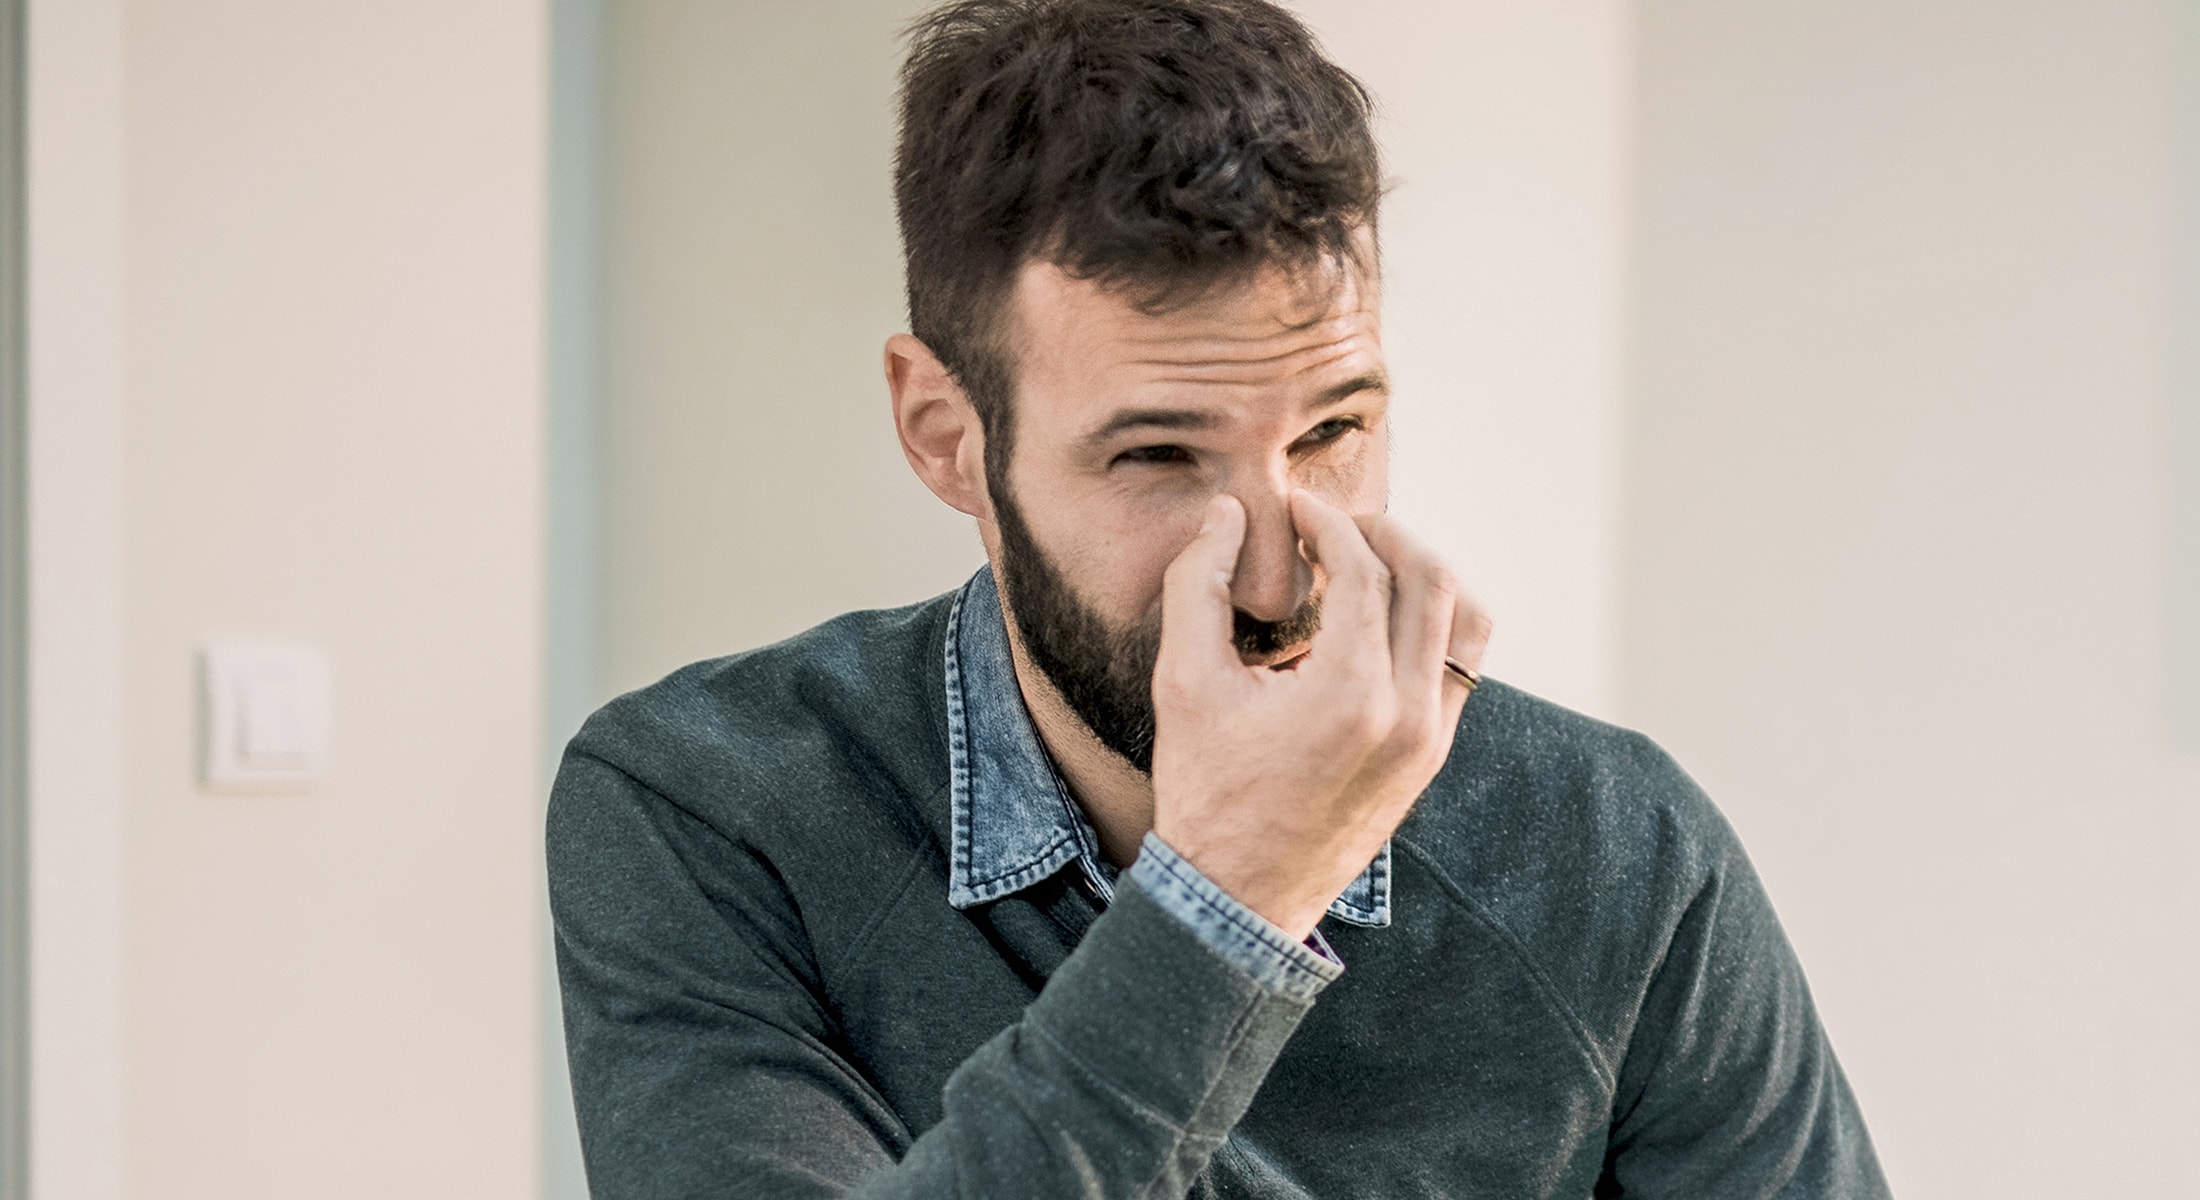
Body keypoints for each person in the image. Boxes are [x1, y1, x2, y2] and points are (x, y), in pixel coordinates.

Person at [547, 1, 1891, 1196]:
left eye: (1333, 433)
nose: (1272, 569)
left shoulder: (1618, 850)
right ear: (946, 432)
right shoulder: (710, 808)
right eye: (1159, 457)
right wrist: (1230, 900)